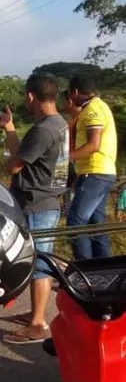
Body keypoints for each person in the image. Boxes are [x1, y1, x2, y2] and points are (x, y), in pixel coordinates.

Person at [0, 74, 69, 345]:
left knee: (39, 265)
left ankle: (38, 323)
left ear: (31, 96)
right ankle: (35, 313)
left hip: (38, 203)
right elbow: (23, 159)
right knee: (36, 261)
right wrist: (10, 128)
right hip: (46, 200)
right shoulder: (60, 124)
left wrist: (11, 159)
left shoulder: (43, 130)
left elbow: (15, 166)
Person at [66, 73, 118, 260]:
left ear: (76, 92)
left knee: (75, 222)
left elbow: (93, 145)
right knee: (96, 224)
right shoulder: (97, 106)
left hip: (95, 172)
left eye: (71, 94)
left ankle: (85, 268)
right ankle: (103, 268)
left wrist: (65, 159)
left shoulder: (93, 110)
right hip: (99, 172)